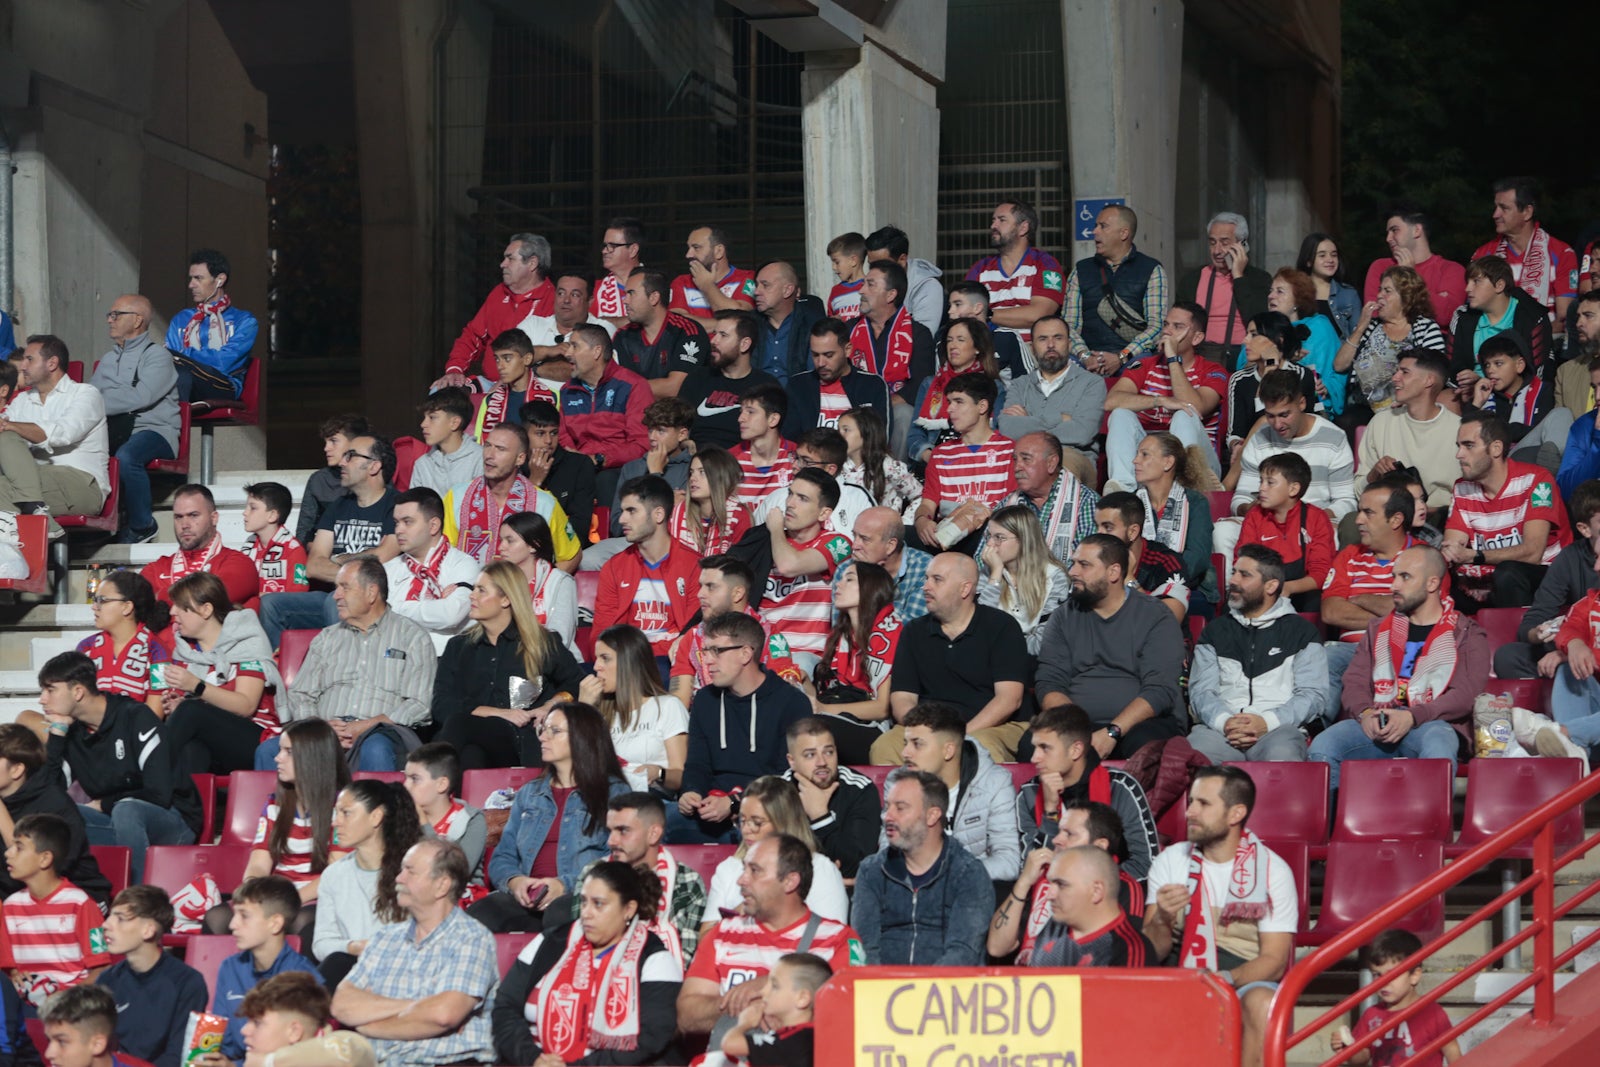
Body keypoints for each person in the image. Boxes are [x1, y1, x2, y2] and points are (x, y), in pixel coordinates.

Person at [1144, 767, 1297, 1067]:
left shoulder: (1273, 872)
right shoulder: (1171, 861)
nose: (1190, 812)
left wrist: (1224, 980)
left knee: (1264, 1004)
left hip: (1240, 979)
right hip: (1177, 974)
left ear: (1235, 813)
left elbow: (1275, 961)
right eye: (1191, 802)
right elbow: (1153, 952)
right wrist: (1162, 917)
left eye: (1203, 804)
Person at [1308, 546, 1488, 789]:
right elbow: (1355, 681)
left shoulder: (1466, 633)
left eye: (1405, 577)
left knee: (1439, 743)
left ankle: (1430, 826)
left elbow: (1465, 695)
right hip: (1377, 721)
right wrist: (1365, 714)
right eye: (1394, 576)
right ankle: (1331, 826)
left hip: (1430, 724)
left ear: (1432, 583)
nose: (1393, 586)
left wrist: (1413, 716)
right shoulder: (1377, 629)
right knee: (1324, 745)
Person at [492, 860, 683, 1067]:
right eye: (584, 902)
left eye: (598, 904)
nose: (586, 913)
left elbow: (650, 1038)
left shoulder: (654, 958)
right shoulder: (550, 942)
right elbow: (505, 1008)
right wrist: (533, 1059)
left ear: (628, 909)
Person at [677, 835, 864, 1044]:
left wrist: (773, 990)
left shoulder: (839, 940)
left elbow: (848, 1012)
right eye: (744, 869)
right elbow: (686, 1015)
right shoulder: (722, 933)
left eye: (754, 871)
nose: (741, 880)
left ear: (790, 881)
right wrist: (746, 1006)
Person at [331, 839, 499, 1067]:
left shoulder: (472, 938)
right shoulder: (385, 938)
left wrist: (371, 1023)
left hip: (445, 1061)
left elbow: (443, 1015)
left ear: (442, 885)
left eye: (410, 871)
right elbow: (341, 1004)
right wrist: (418, 1005)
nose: (399, 878)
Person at [37, 652, 199, 882]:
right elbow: (48, 795)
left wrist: (104, 804)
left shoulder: (135, 717)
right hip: (115, 822)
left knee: (127, 809)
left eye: (50, 690)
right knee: (53, 816)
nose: (42, 699)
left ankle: (139, 901)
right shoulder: (72, 733)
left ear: (78, 692)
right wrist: (57, 735)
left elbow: (159, 793)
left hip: (174, 820)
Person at [469, 702, 629, 934]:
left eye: (555, 731)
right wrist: (515, 882)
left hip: (581, 895)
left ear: (582, 738)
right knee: (481, 913)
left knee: (560, 913)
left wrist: (563, 884)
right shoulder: (529, 793)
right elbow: (503, 855)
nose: (543, 737)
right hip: (528, 897)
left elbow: (618, 859)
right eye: (543, 729)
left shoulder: (613, 792)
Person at [265, 558, 436, 773]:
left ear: (371, 593)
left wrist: (370, 725)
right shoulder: (326, 638)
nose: (336, 595)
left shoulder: (412, 637)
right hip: (325, 733)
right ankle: (276, 808)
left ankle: (376, 807)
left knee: (375, 748)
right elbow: (301, 694)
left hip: (384, 733)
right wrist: (320, 727)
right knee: (269, 751)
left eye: (344, 587)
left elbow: (419, 704)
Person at [1035, 534, 1187, 758]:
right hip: (1078, 726)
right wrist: (1078, 731)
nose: (1073, 572)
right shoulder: (1063, 616)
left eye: (1084, 565)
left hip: (1143, 724)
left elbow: (1160, 689)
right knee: (1033, 747)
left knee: (1144, 747)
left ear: (1113, 572)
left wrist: (1112, 731)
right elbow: (1049, 682)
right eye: (1074, 563)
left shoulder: (1156, 615)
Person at [873, 552, 1029, 765]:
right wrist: (923, 731)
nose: (926, 587)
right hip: (930, 726)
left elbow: (1009, 699)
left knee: (980, 747)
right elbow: (903, 698)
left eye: (937, 579)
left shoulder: (1002, 627)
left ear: (965, 589)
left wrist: (960, 734)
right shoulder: (914, 631)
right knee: (884, 746)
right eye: (927, 578)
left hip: (994, 725)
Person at [672, 612, 811, 845]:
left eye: (716, 651)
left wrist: (736, 802)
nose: (707, 660)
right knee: (651, 821)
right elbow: (697, 763)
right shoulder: (705, 700)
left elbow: (788, 777)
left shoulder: (791, 702)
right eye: (705, 651)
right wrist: (692, 792)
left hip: (768, 812)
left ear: (746, 653)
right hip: (711, 807)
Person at [434, 562, 585, 769]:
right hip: (475, 738)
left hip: (522, 740)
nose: (472, 595)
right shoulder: (458, 647)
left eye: (481, 590)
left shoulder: (541, 643)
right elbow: (441, 705)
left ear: (505, 599)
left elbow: (576, 682)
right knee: (470, 754)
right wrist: (496, 712)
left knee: (458, 725)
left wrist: (551, 705)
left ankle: (431, 784)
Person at [1187, 546, 1326, 763]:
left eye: (1244, 575)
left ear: (1271, 586)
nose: (1233, 580)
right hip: (1220, 731)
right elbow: (1201, 692)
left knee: (1283, 756)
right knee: (1195, 756)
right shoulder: (1215, 631)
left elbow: (1312, 695)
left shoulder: (1302, 633)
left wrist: (1267, 722)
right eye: (1233, 572)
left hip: (1278, 730)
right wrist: (1225, 722)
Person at [262, 435, 402, 647]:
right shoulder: (338, 505)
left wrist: (338, 559)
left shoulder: (396, 504)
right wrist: (356, 568)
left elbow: (383, 556)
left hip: (373, 599)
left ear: (374, 466)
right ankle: (275, 674)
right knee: (270, 604)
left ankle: (343, 673)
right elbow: (313, 565)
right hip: (333, 595)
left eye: (351, 456)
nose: (342, 462)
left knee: (334, 601)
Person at [850, 768, 991, 966]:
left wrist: (916, 992)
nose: (887, 816)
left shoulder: (968, 873)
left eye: (900, 808)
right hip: (882, 990)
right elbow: (863, 950)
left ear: (932, 815)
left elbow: (963, 954)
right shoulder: (871, 871)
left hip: (945, 992)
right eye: (888, 807)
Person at [1217, 369, 1357, 566]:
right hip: (1265, 521)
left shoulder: (1334, 438)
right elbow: (1240, 497)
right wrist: (1248, 507)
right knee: (1223, 532)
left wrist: (1308, 519)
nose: (1277, 424)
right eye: (1270, 416)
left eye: (1284, 414)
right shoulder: (1259, 439)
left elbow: (1346, 502)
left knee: (1333, 535)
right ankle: (1235, 592)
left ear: (1301, 403)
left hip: (1315, 522)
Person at [227, 721, 350, 938]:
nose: (277, 758)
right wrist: (253, 892)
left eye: (288, 752)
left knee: (301, 922)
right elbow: (258, 863)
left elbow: (335, 873)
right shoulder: (274, 804)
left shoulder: (342, 808)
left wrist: (291, 902)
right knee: (219, 916)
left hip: (316, 898)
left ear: (312, 758)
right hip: (278, 896)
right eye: (280, 750)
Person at [992, 798, 1149, 964]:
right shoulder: (1041, 877)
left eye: (1069, 834)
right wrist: (1023, 882)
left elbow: (1124, 952)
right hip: (1021, 983)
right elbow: (997, 947)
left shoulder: (1123, 886)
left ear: (1099, 846)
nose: (1056, 840)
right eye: (1059, 831)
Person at [1442, 412, 1571, 610]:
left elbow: (1533, 553)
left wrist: (1474, 556)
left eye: (1468, 446)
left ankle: (1521, 640)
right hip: (1488, 580)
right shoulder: (1462, 488)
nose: (1459, 455)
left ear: (1496, 448)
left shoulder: (1537, 481)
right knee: (1439, 577)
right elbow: (1453, 548)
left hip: (1542, 579)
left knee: (1508, 573)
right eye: (1458, 446)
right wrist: (1451, 555)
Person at [161, 572, 283, 778]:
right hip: (214, 743)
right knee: (192, 750)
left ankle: (147, 772)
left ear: (206, 609)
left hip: (256, 737)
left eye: (182, 607)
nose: (173, 611)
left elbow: (246, 705)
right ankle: (187, 809)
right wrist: (177, 706)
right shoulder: (185, 651)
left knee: (191, 710)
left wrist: (196, 687)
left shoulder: (245, 640)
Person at [1013, 705, 1157, 879]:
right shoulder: (1028, 794)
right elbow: (1030, 872)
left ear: (1075, 750)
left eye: (1045, 748)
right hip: (1048, 898)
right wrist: (1050, 813)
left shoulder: (1119, 787)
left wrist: (1084, 886)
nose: (1034, 758)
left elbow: (1145, 865)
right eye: (1035, 747)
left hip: (1110, 897)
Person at [886, 702, 1019, 882]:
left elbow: (1008, 863)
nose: (905, 753)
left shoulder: (994, 782)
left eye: (917, 744)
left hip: (972, 892)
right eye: (906, 743)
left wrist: (947, 873)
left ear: (948, 750)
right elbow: (887, 854)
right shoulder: (898, 782)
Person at [1105, 301, 1227, 486]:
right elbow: (1111, 401)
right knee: (1120, 414)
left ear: (1196, 338)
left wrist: (1172, 359)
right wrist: (1160, 400)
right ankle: (1124, 488)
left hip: (1199, 463)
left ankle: (1182, 487)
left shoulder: (1212, 371)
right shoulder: (1145, 365)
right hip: (1149, 460)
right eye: (1166, 325)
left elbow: (1196, 406)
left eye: (1178, 327)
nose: (1167, 332)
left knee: (1184, 414)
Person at [702, 776, 850, 928]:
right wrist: (741, 912)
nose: (746, 830)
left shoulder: (821, 870)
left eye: (757, 822)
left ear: (785, 823)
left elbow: (832, 938)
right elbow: (705, 941)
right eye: (742, 821)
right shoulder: (728, 869)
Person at [315, 781, 423, 988]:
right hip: (352, 969)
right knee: (337, 963)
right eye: (336, 813)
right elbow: (321, 943)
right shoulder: (333, 875)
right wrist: (354, 947)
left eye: (346, 813)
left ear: (376, 817)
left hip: (403, 971)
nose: (336, 822)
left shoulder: (412, 871)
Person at [91, 294, 179, 544]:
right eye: (110, 315)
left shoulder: (157, 356)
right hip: (115, 429)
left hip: (155, 430)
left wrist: (100, 402)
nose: (110, 320)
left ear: (138, 320)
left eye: (116, 315)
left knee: (127, 457)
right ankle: (97, 525)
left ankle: (142, 525)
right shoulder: (108, 359)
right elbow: (90, 396)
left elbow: (141, 397)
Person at [0, 813, 112, 1008]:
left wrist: (64, 1000)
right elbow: (9, 972)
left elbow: (101, 968)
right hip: (23, 1006)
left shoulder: (82, 904)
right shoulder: (9, 906)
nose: (8, 854)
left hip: (70, 1006)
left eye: (18, 848)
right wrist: (14, 977)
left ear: (45, 859)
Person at [0, 335, 107, 536]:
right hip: (33, 481)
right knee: (4, 436)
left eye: (29, 359)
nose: (22, 366)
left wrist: (11, 426)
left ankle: (34, 522)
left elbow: (63, 434)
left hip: (81, 484)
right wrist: (8, 426)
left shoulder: (85, 394)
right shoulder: (22, 400)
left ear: (52, 363)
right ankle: (38, 515)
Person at [1492, 480, 1600, 680]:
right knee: (1508, 657)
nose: (1597, 568)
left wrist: (1566, 656)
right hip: (1576, 649)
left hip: (1586, 652)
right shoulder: (1570, 558)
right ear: (1585, 529)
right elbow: (1533, 624)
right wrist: (1541, 634)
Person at [210, 876, 321, 1064]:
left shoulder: (303, 978)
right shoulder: (230, 967)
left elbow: (301, 1055)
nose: (232, 925)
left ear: (275, 923)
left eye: (244, 916)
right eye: (234, 915)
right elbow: (224, 1042)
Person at [95, 885, 208, 1067]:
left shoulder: (187, 982)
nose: (105, 925)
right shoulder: (106, 980)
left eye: (120, 919)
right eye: (110, 916)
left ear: (148, 930)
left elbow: (178, 1055)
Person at [0, 723, 110, 909]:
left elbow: (41, 870)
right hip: (16, 897)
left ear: (17, 770)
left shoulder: (54, 804)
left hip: (76, 898)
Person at [668, 555, 802, 707]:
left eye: (711, 586)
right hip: (705, 721)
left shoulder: (770, 637)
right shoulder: (691, 638)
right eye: (701, 586)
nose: (700, 594)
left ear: (737, 593)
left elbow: (781, 695)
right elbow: (679, 700)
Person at [443, 423, 580, 572]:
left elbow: (571, 556)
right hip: (468, 591)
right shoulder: (457, 496)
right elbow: (442, 553)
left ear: (520, 459)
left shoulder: (544, 503)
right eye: (488, 446)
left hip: (522, 593)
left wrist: (540, 587)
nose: (489, 455)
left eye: (500, 449)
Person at [591, 792, 708, 964]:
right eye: (610, 831)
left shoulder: (687, 881)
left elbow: (686, 957)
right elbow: (583, 946)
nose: (611, 841)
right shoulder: (593, 874)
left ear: (653, 834)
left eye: (623, 831)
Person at [804, 562, 902, 765]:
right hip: (839, 712)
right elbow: (831, 693)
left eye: (849, 579)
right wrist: (804, 684)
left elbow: (882, 708)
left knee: (810, 726)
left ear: (871, 588)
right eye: (840, 579)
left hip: (873, 727)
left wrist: (822, 709)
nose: (838, 585)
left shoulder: (890, 633)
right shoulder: (842, 632)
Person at [595, 475, 701, 659]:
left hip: (675, 662)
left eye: (631, 511)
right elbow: (602, 633)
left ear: (658, 514)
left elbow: (694, 632)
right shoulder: (614, 567)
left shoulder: (694, 566)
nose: (622, 519)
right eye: (622, 511)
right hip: (627, 663)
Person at [912, 375, 1017, 554]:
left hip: (991, 542)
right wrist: (922, 520)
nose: (950, 409)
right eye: (949, 402)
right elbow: (928, 504)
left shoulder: (1009, 451)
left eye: (959, 402)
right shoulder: (940, 454)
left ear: (982, 406)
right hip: (948, 540)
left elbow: (1012, 509)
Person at [579, 624, 690, 793]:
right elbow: (578, 768)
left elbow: (681, 775)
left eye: (605, 658)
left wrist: (658, 772)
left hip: (652, 801)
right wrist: (583, 710)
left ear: (629, 661)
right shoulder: (598, 712)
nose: (596, 667)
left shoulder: (668, 706)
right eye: (596, 659)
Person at [1337, 265, 1449, 429]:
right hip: (1363, 408)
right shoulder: (1369, 327)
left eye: (1387, 291)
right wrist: (1360, 327)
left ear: (1406, 297)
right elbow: (1339, 365)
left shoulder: (1424, 328)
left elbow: (1436, 373)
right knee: (1346, 423)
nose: (1379, 295)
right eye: (1380, 289)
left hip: (1405, 407)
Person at [437, 234, 555, 388]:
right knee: (441, 391)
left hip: (529, 387)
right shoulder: (498, 293)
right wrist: (455, 369)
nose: (502, 264)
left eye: (510, 258)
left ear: (532, 263)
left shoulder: (554, 300)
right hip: (489, 383)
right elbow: (473, 336)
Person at [1061, 204, 1168, 375]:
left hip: (1132, 358)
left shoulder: (1152, 270)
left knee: (1142, 365)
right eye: (1096, 226)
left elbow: (1156, 327)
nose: (1094, 231)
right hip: (1086, 359)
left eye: (1103, 226)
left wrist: (1121, 357)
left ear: (1123, 233)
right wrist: (1086, 356)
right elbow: (1068, 326)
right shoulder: (1081, 270)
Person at [1330, 929, 1462, 1065]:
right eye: (1377, 974)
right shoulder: (1371, 1015)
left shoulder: (1432, 1012)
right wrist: (1348, 1049)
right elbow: (1362, 1057)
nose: (1383, 982)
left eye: (1392, 975)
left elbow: (1453, 1052)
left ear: (1414, 976)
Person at [762, 468, 853, 661]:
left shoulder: (839, 543)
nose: (789, 504)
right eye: (790, 494)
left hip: (806, 654)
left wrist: (776, 530)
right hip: (760, 650)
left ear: (823, 513)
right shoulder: (763, 542)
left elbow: (789, 566)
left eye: (802, 498)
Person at [1358, 349, 1463, 516]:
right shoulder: (1381, 422)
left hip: (1442, 517)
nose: (1395, 378)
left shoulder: (1459, 430)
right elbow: (1358, 491)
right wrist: (1374, 474)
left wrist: (1431, 512)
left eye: (1404, 372)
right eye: (1397, 371)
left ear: (1429, 380)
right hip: (1387, 518)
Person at [996, 315, 1106, 466]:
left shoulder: (1092, 383)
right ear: (1032, 347)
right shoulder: (1019, 385)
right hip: (1026, 459)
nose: (1050, 345)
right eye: (1042, 339)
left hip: (1072, 458)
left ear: (1068, 344)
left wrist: (1029, 420)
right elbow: (1008, 428)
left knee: (1062, 461)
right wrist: (1061, 419)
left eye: (1058, 338)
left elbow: (1082, 433)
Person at [1472, 176, 1579, 330]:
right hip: (1491, 343)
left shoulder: (1562, 253)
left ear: (1527, 212)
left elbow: (1563, 318)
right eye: (1495, 207)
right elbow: (1473, 309)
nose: (1495, 214)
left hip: (1545, 345)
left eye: (1504, 208)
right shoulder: (1483, 255)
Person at [380, 487, 479, 653]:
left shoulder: (464, 564)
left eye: (408, 522)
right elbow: (374, 618)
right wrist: (434, 606)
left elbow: (450, 615)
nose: (398, 530)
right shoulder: (387, 569)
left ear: (433, 526)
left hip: (445, 661)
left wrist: (392, 608)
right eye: (396, 523)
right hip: (393, 659)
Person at [780, 718, 880, 879]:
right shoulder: (777, 793)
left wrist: (820, 816)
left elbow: (856, 867)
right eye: (810, 755)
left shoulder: (860, 789)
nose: (822, 762)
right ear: (792, 761)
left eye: (829, 752)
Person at [1233, 453, 1337, 608]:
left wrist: (1288, 588)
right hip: (1261, 592)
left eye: (1270, 482)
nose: (1261, 488)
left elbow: (1321, 574)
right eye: (1261, 481)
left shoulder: (1316, 518)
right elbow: (1243, 563)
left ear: (1293, 489)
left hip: (1302, 593)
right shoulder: (1254, 516)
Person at [1024, 846, 1156, 968]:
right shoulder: (1053, 928)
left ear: (1096, 891)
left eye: (1061, 884)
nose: (1049, 895)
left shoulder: (1129, 950)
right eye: (1051, 883)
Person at [142, 483, 260, 612]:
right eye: (178, 517)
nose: (185, 524)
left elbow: (208, 600)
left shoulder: (239, 565)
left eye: (193, 515)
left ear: (214, 518)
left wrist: (160, 597)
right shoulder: (154, 570)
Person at [965, 198, 1065, 347]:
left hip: (1033, 356)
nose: (993, 225)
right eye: (993, 220)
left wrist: (987, 314)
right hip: (988, 355)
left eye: (1002, 220)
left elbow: (1039, 314)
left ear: (1023, 228)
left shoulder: (1046, 264)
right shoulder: (980, 268)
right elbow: (965, 311)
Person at [850, 260, 937, 434]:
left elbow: (920, 385)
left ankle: (897, 463)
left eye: (870, 285)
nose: (861, 290)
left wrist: (883, 405)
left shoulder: (918, 333)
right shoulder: (848, 331)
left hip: (896, 407)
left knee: (904, 414)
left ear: (890, 295)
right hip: (854, 407)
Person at [1448, 256, 1553, 397]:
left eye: (1476, 282)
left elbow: (1539, 373)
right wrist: (1465, 381)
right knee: (1447, 398)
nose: (1467, 289)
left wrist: (1484, 382)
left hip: (1520, 395)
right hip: (1471, 394)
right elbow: (1451, 367)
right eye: (1468, 282)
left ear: (1499, 286)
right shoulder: (1462, 316)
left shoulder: (1532, 317)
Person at [1174, 212, 1271, 366]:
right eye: (1212, 242)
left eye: (1225, 243)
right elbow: (1178, 321)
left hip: (1243, 356)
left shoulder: (1259, 279)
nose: (1217, 251)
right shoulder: (1192, 280)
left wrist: (1238, 276)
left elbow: (1259, 322)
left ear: (1242, 244)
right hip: (1200, 355)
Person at [72, 570, 172, 718]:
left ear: (127, 607)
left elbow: (154, 714)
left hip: (133, 734)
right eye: (95, 600)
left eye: (102, 600)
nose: (94, 607)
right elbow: (75, 701)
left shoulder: (158, 651)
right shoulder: (86, 647)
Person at [559, 322, 653, 477]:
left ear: (596, 352)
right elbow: (564, 439)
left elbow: (642, 445)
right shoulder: (568, 391)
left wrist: (599, 459)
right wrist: (576, 461)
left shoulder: (634, 386)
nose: (567, 353)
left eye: (574, 346)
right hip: (578, 471)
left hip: (619, 471)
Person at [906, 319, 1005, 465]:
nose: (953, 345)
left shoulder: (993, 386)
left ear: (977, 347)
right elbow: (915, 435)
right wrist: (931, 457)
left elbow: (997, 432)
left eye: (960, 340)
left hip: (977, 461)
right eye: (949, 340)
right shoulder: (930, 384)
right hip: (935, 460)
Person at [681, 308, 780, 449]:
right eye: (715, 334)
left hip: (742, 462)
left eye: (723, 335)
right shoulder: (697, 378)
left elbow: (771, 439)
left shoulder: (766, 386)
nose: (714, 341)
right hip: (696, 460)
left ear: (744, 344)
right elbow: (677, 426)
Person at [977, 504, 1069, 655]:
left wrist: (999, 645)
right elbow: (980, 628)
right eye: (989, 536)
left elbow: (1043, 643)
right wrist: (996, 575)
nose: (989, 544)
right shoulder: (991, 570)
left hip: (1033, 663)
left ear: (1024, 539)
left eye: (999, 537)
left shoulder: (1054, 577)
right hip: (989, 658)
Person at [167, 249, 257, 403]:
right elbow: (169, 361)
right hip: (184, 382)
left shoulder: (245, 320)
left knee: (180, 375)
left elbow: (222, 363)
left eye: (198, 278)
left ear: (220, 280)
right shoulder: (181, 319)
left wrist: (184, 355)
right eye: (191, 278)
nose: (191, 285)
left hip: (224, 385)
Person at [1222, 313, 1321, 451]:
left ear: (1278, 341)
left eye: (1254, 334)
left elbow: (1269, 419)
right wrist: (1236, 446)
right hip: (1253, 449)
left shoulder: (1301, 375)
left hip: (1294, 448)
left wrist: (1270, 367)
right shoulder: (1239, 380)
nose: (1245, 341)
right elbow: (1235, 433)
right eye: (1247, 334)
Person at [1472, 334, 1572, 469]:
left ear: (1519, 365)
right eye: (1487, 365)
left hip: (1533, 453)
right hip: (1502, 461)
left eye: (1498, 363)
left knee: (1562, 413)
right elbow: (1471, 436)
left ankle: (1549, 471)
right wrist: (1476, 403)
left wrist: (1505, 430)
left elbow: (1540, 430)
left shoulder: (1543, 390)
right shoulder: (1486, 397)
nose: (1490, 370)